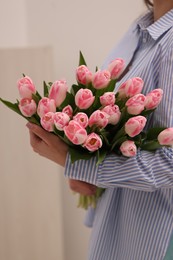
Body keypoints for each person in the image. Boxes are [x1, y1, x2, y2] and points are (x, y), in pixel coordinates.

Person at [26, 0, 173, 259]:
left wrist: (78, 163)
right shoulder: (142, 28)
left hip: (154, 236)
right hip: (122, 227)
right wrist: (87, 161)